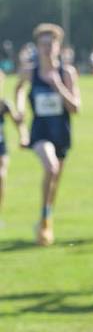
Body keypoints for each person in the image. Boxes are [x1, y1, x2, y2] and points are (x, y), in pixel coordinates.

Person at [15, 23, 80, 246]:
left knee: (55, 180)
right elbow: (19, 89)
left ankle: (45, 218)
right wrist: (21, 108)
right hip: (40, 131)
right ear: (37, 46)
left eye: (50, 43)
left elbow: (75, 108)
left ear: (58, 46)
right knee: (50, 167)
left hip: (61, 132)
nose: (46, 48)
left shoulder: (67, 73)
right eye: (42, 44)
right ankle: (44, 217)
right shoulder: (30, 72)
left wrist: (59, 85)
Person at [0, 74, 22, 225]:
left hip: (1, 146)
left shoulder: (4, 105)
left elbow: (18, 123)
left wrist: (24, 136)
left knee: (1, 175)